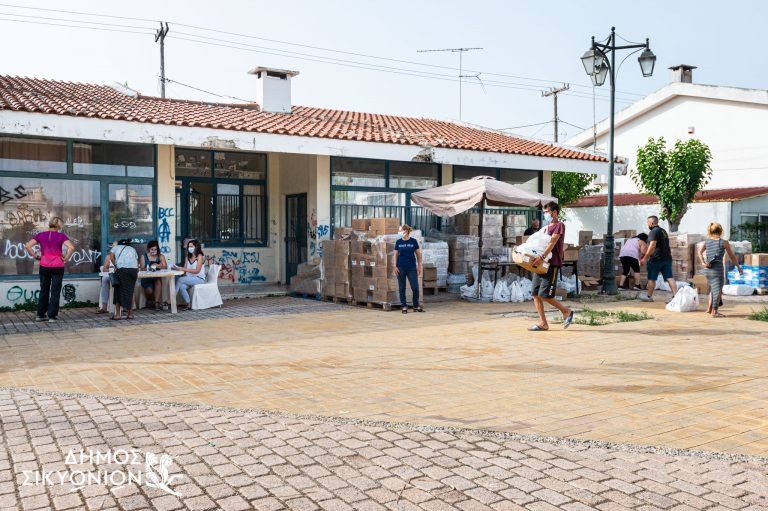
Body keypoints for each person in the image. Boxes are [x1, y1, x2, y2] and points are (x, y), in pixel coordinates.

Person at [529, 202, 574, 331]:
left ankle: (566, 311)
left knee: (545, 295)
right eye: (544, 212)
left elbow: (552, 243)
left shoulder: (559, 226)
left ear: (554, 212)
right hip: (540, 264)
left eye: (547, 212)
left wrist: (542, 257)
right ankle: (543, 323)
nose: (545, 214)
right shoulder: (545, 228)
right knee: (535, 294)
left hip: (552, 264)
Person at [24, 217, 75, 323]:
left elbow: (28, 246)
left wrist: (36, 256)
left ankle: (40, 315)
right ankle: (52, 316)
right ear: (59, 226)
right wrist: (66, 258)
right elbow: (71, 248)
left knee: (44, 290)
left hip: (44, 265)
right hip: (57, 266)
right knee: (55, 291)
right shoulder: (61, 236)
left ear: (50, 224)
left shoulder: (41, 235)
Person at [697, 222, 742, 318]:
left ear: (710, 231)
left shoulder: (707, 241)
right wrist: (738, 267)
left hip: (708, 270)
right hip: (717, 270)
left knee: (713, 288)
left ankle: (709, 308)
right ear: (721, 231)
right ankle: (714, 311)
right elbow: (732, 256)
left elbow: (699, 252)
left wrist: (703, 262)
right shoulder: (724, 242)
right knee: (718, 290)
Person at [640, 215, 678, 302]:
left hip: (656, 259)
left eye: (648, 223)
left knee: (652, 278)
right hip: (667, 258)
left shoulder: (653, 231)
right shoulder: (663, 231)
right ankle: (676, 296)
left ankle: (649, 297)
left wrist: (645, 257)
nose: (647, 224)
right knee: (669, 277)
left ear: (651, 223)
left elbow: (652, 245)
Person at [102, 239, 139, 320]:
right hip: (133, 271)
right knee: (130, 291)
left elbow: (111, 258)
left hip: (122, 270)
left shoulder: (115, 248)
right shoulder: (132, 249)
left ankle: (118, 314)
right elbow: (136, 261)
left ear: (118, 244)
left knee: (118, 291)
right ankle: (130, 314)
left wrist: (116, 266)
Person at [394, 224, 423, 314]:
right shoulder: (398, 242)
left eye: (401, 231)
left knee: (415, 287)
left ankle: (415, 305)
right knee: (402, 287)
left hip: (411, 267)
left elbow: (418, 254)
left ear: (406, 231)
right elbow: (395, 255)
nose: (400, 233)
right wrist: (395, 266)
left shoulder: (413, 241)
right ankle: (404, 306)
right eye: (399, 231)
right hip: (401, 267)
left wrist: (419, 266)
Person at [173, 239, 206, 310]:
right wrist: (177, 268)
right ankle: (188, 304)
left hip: (199, 279)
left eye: (191, 246)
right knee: (182, 286)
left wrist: (183, 269)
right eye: (188, 246)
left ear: (196, 247)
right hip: (190, 279)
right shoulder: (187, 256)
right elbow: (185, 269)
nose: (189, 248)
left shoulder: (200, 256)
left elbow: (197, 271)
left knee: (180, 279)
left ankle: (171, 299)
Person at [140, 240, 168, 310]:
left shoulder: (161, 256)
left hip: (156, 277)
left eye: (155, 249)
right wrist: (149, 268)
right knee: (149, 291)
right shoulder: (144, 256)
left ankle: (156, 303)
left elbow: (165, 267)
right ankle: (150, 300)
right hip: (146, 277)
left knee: (158, 281)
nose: (153, 251)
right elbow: (142, 268)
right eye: (152, 249)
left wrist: (158, 266)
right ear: (148, 249)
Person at [96, 241, 118, 314]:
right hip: (111, 275)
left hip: (121, 275)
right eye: (113, 247)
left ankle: (125, 306)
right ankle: (104, 306)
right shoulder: (108, 257)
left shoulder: (122, 256)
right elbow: (104, 269)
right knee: (105, 280)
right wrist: (111, 269)